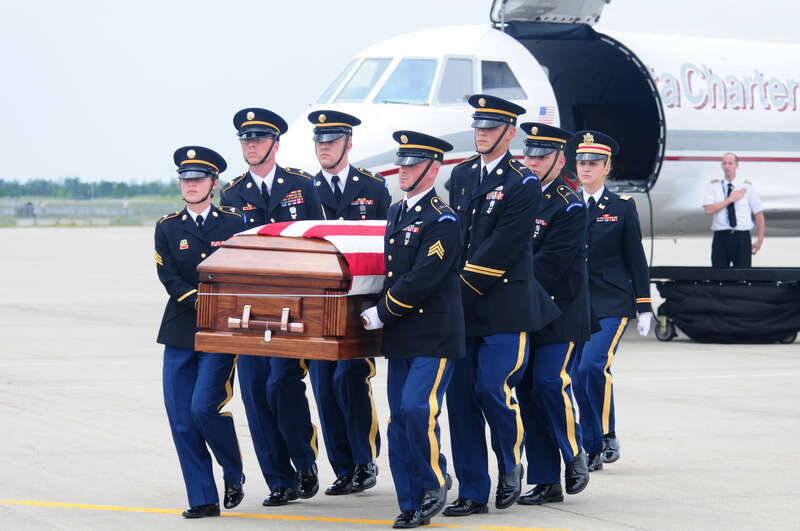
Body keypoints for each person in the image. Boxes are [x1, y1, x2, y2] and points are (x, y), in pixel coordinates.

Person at [444, 94, 560, 517]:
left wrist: (456, 288)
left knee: (491, 388)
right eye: (478, 126)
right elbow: (456, 236)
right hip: (463, 308)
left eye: (490, 127)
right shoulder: (459, 176)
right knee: (459, 401)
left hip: (504, 305)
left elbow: (504, 247)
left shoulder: (522, 182)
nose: (481, 133)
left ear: (510, 133)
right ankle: (473, 490)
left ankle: (511, 461)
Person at [220, 107, 324, 506]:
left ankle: (304, 459)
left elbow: (319, 242)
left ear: (275, 144)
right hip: (247, 309)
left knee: (282, 384)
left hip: (292, 306)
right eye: (246, 140)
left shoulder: (301, 185)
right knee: (254, 394)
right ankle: (279, 480)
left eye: (259, 139)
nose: (251, 145)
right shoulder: (231, 193)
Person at [360, 130, 463, 529]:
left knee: (418, 409)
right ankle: (409, 500)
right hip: (403, 335)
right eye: (402, 164)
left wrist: (382, 312)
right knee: (399, 419)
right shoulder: (397, 213)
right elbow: (391, 271)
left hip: (434, 334)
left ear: (434, 169)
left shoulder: (444, 219)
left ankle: (434, 482)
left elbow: (423, 277)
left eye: (413, 165)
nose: (403, 171)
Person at [155, 146, 245, 518]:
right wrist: (198, 300)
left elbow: (244, 272)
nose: (190, 185)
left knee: (203, 409)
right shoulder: (167, 226)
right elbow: (168, 276)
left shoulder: (234, 224)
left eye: (198, 179)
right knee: (181, 419)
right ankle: (202, 498)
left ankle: (233, 470)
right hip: (180, 330)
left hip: (221, 331)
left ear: (214, 183)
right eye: (185, 179)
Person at [306, 109, 389, 495]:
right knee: (323, 385)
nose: (325, 147)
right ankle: (343, 467)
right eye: (320, 142)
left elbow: (387, 248)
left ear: (348, 144)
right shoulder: (304, 191)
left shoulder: (373, 189)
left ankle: (365, 459)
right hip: (321, 306)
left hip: (359, 307)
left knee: (350, 378)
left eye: (332, 141)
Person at [515, 123, 590, 506]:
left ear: (560, 161)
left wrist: (505, 280)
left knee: (548, 383)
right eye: (529, 154)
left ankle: (574, 452)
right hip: (525, 309)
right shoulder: (520, 196)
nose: (532, 161)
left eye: (541, 155)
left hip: (559, 311)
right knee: (527, 393)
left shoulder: (569, 203)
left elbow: (550, 265)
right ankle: (546, 480)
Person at [571, 130, 652, 472]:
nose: (586, 168)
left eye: (593, 163)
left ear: (607, 167)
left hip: (612, 301)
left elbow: (636, 258)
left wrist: (644, 303)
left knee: (592, 365)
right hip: (575, 303)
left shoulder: (621, 207)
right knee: (575, 376)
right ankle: (590, 445)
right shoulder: (568, 205)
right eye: (581, 162)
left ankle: (607, 434)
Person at [702, 152, 765, 268]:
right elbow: (708, 210)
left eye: (730, 163)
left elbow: (758, 213)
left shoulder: (747, 186)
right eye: (724, 163)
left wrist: (760, 239)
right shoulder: (713, 186)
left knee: (743, 276)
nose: (727, 166)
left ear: (736, 165)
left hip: (741, 237)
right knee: (719, 276)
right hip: (721, 237)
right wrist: (729, 200)